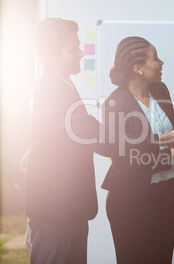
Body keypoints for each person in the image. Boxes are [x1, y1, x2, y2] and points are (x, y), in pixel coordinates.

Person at [26, 17, 111, 263]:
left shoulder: (61, 83)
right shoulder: (53, 90)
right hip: (56, 209)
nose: (81, 53)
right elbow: (90, 132)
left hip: (66, 205)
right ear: (50, 55)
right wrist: (152, 141)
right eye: (73, 48)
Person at [101, 36, 174, 264]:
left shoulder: (161, 90)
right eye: (155, 58)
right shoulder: (115, 103)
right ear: (137, 68)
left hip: (168, 197)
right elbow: (125, 158)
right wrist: (167, 147)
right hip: (130, 201)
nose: (161, 63)